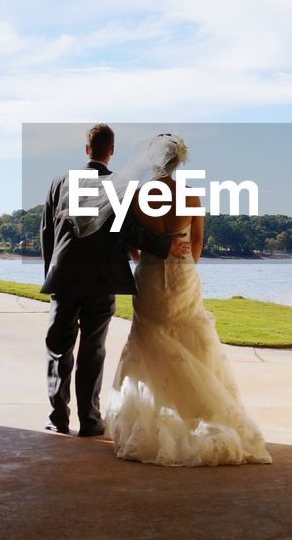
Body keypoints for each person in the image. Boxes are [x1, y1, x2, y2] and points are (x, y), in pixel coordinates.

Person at [106, 133, 271, 467]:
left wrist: (144, 259)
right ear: (178, 162)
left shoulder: (136, 197)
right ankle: (197, 410)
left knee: (148, 339)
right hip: (182, 277)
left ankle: (154, 416)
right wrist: (182, 269)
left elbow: (129, 242)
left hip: (150, 276)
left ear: (153, 160)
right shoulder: (190, 196)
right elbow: (196, 243)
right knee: (189, 339)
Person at [40, 123, 190, 437]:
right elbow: (129, 232)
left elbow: (47, 234)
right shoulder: (118, 185)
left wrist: (51, 275)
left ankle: (58, 418)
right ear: (111, 151)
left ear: (86, 149)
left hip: (64, 279)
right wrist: (165, 246)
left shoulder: (59, 182)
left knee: (58, 348)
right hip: (102, 279)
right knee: (92, 351)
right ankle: (90, 421)